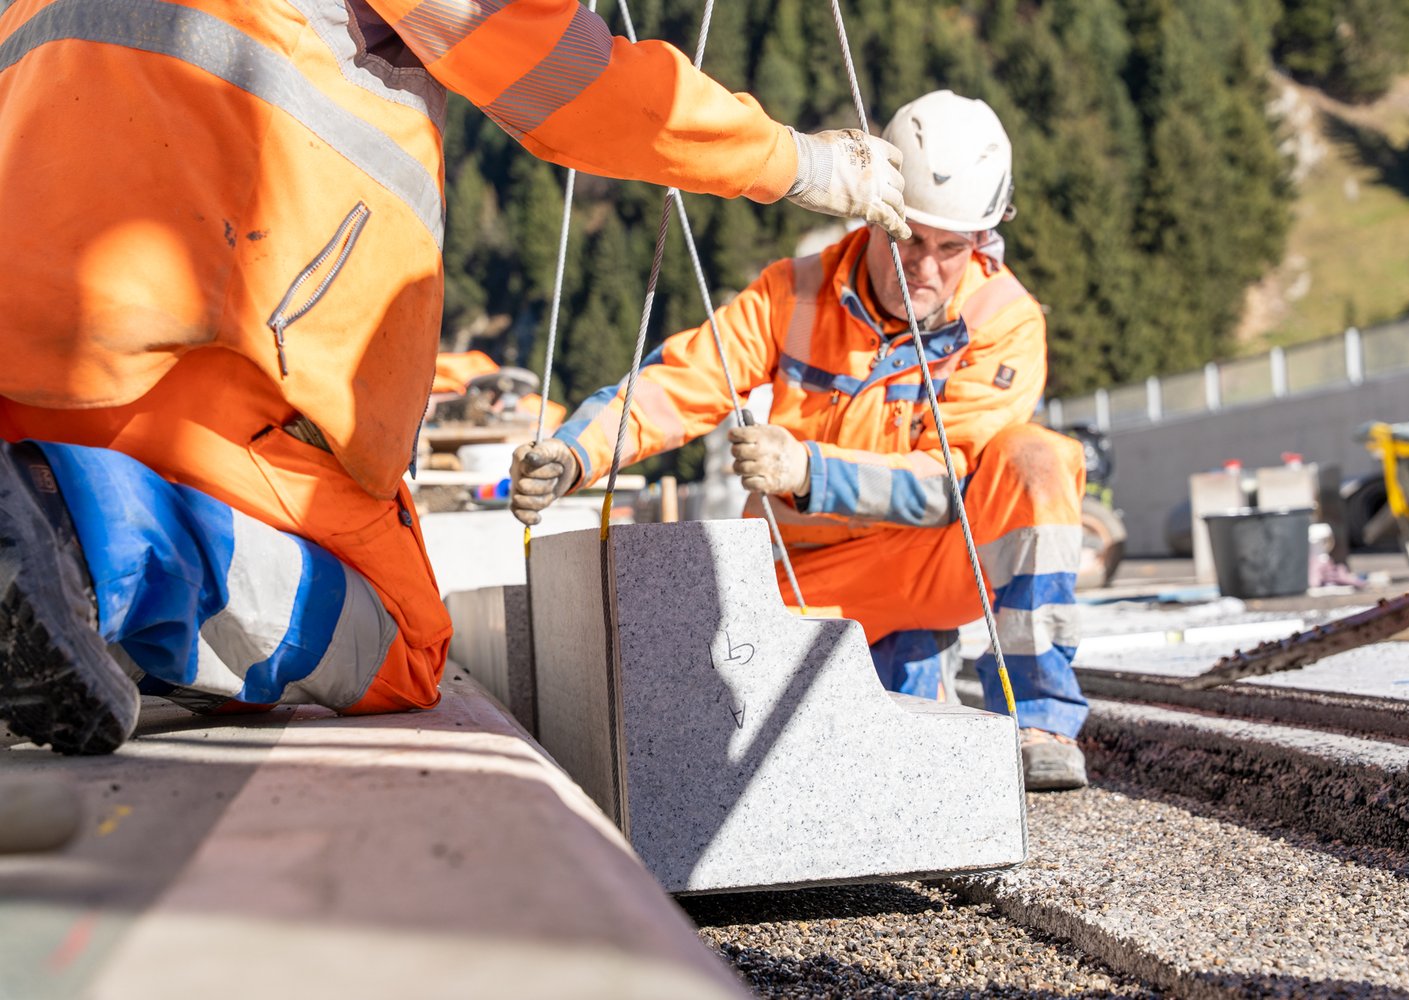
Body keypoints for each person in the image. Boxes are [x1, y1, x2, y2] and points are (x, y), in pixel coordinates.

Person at [0, 0, 909, 756]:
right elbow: (571, 80)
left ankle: (70, 586)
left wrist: (580, 447)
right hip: (207, 352)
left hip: (26, 361)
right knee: (401, 643)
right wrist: (808, 163)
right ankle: (81, 534)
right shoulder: (807, 291)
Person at [511, 90, 1090, 791]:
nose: (926, 269)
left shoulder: (1005, 318)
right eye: (907, 238)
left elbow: (946, 486)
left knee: (1038, 461)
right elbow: (683, 380)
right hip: (803, 577)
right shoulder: (796, 292)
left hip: (927, 566)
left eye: (950, 249)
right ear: (877, 216)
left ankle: (1039, 720)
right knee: (818, 769)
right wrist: (577, 451)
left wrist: (808, 468)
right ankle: (903, 666)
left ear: (982, 241)